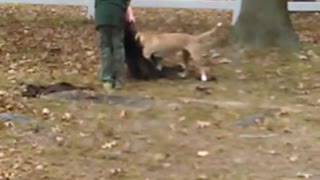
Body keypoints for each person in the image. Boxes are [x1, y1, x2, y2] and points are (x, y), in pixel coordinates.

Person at [94, 0, 133, 91]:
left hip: (102, 16)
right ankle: (119, 80)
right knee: (118, 48)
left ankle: (107, 79)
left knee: (105, 48)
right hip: (117, 16)